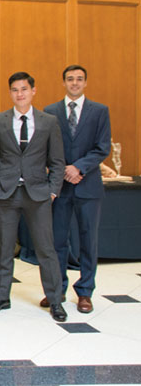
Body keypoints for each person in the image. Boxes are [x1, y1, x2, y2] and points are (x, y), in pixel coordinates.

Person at [0, 71, 67, 322]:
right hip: (6, 194)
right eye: (15, 90)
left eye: (24, 89)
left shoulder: (48, 121)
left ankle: (55, 300)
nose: (20, 94)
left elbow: (57, 161)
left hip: (38, 194)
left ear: (33, 91)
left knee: (46, 249)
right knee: (5, 248)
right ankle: (1, 297)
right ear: (10, 93)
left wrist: (52, 190)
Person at [44, 65, 111, 314]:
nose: (74, 83)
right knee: (58, 240)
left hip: (88, 186)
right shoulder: (51, 112)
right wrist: (63, 170)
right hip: (60, 186)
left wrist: (79, 168)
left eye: (79, 79)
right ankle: (57, 289)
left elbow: (102, 147)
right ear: (63, 82)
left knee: (87, 240)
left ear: (85, 83)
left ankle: (85, 291)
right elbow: (48, 148)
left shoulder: (99, 112)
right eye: (70, 79)